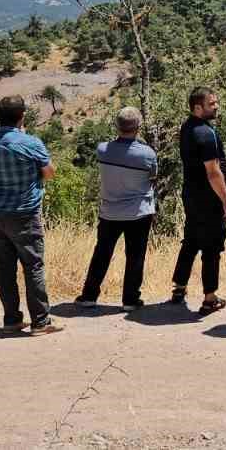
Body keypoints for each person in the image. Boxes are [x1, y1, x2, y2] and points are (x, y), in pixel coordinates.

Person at [0, 94, 61, 335]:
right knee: (32, 265)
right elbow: (49, 173)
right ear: (22, 116)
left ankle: (12, 318)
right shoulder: (31, 143)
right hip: (23, 212)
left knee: (4, 267)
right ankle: (40, 321)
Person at [76, 107, 158, 311]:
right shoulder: (147, 154)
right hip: (138, 211)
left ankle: (89, 295)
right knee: (135, 256)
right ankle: (130, 300)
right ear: (138, 127)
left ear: (116, 126)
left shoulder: (103, 149)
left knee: (102, 253)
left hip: (109, 211)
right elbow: (153, 176)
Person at [171, 87, 226, 315]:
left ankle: (179, 288)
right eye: (212, 104)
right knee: (212, 247)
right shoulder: (205, 134)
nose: (216, 107)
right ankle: (210, 298)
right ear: (198, 107)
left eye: (216, 102)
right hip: (209, 199)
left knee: (190, 240)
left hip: (191, 195)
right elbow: (213, 171)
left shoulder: (188, 127)